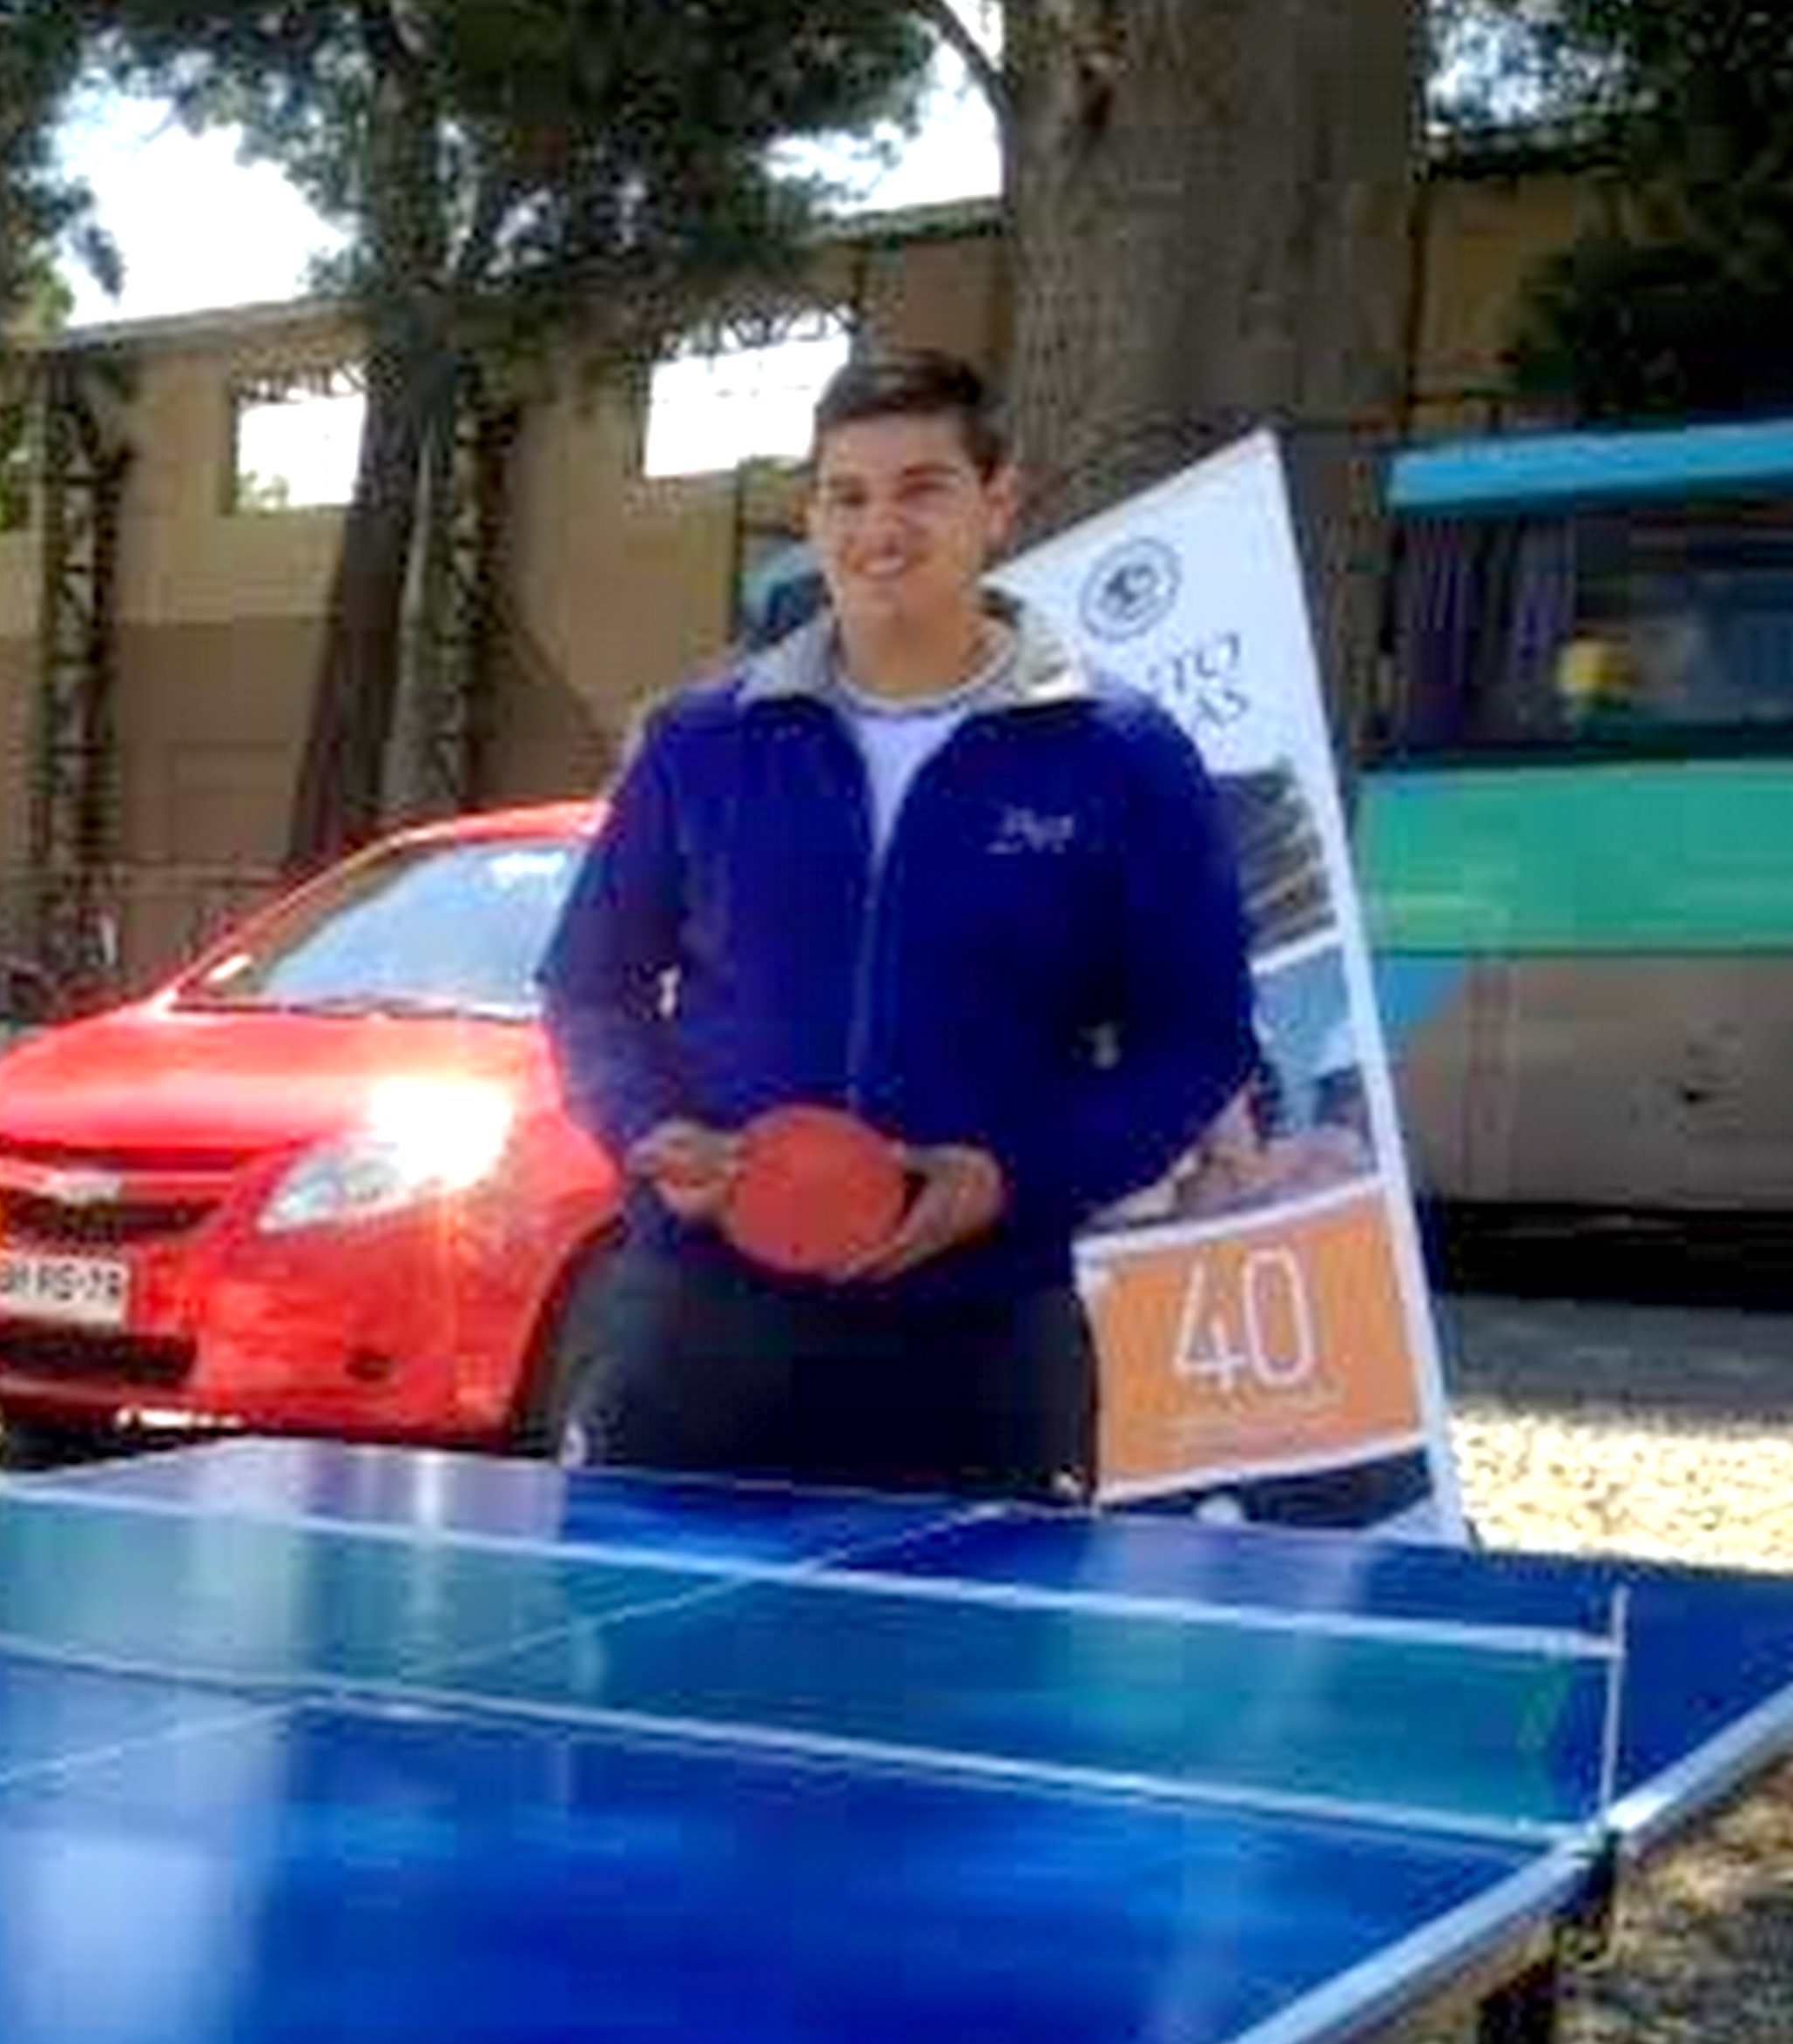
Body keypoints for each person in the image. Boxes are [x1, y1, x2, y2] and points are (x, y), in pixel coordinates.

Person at [535, 347, 1259, 1505]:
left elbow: (1201, 1037)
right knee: (659, 1679)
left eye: (922, 488)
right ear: (816, 516)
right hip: (699, 1329)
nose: (881, 529)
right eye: (846, 494)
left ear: (998, 502)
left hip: (981, 1340)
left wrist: (1018, 1178)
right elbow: (588, 988)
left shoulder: (1124, 756)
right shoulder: (703, 742)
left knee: (967, 1682)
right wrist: (648, 1123)